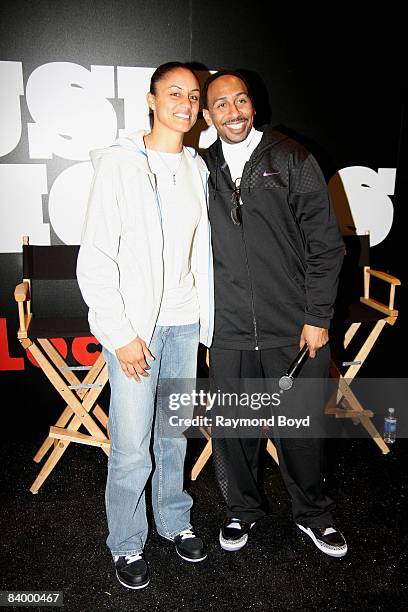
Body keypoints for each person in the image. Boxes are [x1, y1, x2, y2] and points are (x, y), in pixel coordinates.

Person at [77, 62, 214, 590]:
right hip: (136, 327)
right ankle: (127, 542)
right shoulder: (120, 165)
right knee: (132, 444)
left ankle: (175, 521)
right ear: (151, 100)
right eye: (173, 92)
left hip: (184, 321)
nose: (184, 102)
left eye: (192, 95)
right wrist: (121, 333)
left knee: (174, 433)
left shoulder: (197, 168)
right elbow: (95, 260)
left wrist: (205, 320)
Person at [201, 70, 347, 557]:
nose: (233, 112)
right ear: (207, 115)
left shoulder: (290, 158)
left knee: (300, 429)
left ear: (253, 106)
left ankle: (313, 514)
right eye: (221, 105)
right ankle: (241, 511)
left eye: (240, 101)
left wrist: (318, 315)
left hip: (292, 325)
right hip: (228, 330)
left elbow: (326, 246)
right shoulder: (201, 169)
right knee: (233, 430)